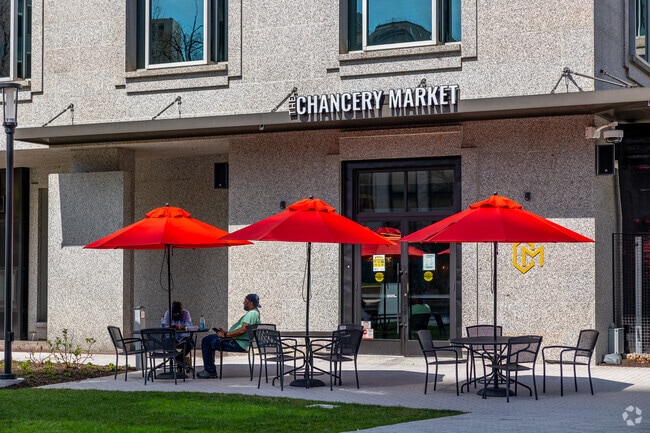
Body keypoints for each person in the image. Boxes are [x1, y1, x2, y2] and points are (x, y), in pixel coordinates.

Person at [197, 293, 261, 379]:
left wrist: (226, 335)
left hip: (238, 343)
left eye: (245, 301)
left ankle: (210, 371)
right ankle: (210, 369)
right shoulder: (255, 313)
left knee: (207, 341)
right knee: (209, 340)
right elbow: (242, 330)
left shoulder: (252, 314)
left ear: (251, 303)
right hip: (237, 340)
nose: (243, 302)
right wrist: (226, 332)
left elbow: (243, 330)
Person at [162, 301, 195, 366]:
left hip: (184, 336)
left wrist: (181, 327)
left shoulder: (186, 313)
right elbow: (164, 325)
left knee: (190, 344)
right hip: (172, 337)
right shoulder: (168, 313)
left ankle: (179, 361)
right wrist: (171, 327)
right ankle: (183, 360)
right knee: (166, 345)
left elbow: (189, 325)